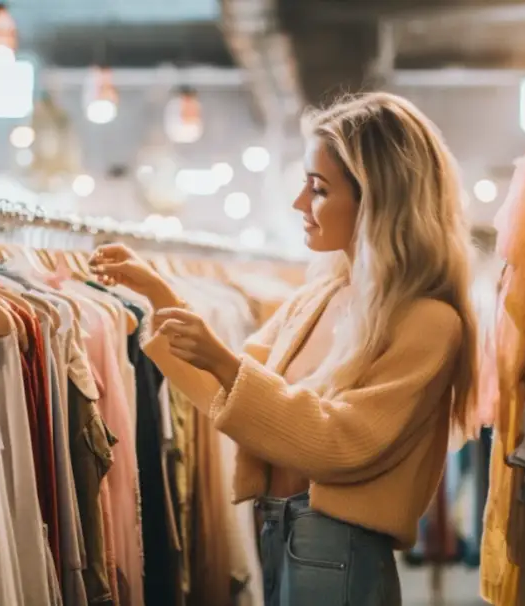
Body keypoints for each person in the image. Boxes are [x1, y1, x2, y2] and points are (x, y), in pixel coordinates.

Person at [90, 91, 479, 606]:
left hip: (337, 547)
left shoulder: (429, 322)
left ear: (379, 198)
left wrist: (224, 361)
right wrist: (160, 296)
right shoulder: (319, 296)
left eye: (318, 189)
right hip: (279, 531)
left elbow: (340, 442)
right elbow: (235, 396)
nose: (300, 204)